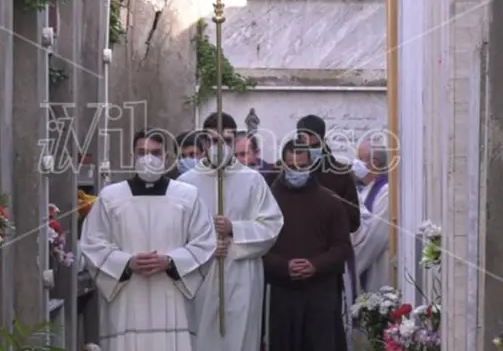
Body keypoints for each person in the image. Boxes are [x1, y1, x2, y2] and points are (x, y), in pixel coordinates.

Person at [81, 128, 218, 350]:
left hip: (172, 301)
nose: (149, 158)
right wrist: (126, 263)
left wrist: (171, 262)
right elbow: (92, 243)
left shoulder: (187, 195)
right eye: (142, 152)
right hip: (127, 301)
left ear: (165, 158)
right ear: (131, 157)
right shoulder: (110, 197)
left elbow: (205, 243)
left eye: (155, 152)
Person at [178, 125, 284, 351]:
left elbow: (272, 224)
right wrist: (204, 247)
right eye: (212, 140)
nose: (218, 146)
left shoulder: (252, 180)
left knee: (240, 336)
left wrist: (234, 228)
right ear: (204, 142)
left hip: (241, 273)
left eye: (225, 139)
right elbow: (174, 233)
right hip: (201, 277)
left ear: (234, 140)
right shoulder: (185, 183)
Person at [263, 138, 352, 351]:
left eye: (302, 166)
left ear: (311, 165)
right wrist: (284, 267)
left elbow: (342, 247)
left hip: (320, 293)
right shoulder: (268, 201)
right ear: (282, 165)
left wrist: (315, 265)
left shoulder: (330, 201)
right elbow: (259, 246)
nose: (297, 171)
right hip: (282, 292)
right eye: (291, 167)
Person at [352, 141, 391, 292]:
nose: (355, 163)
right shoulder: (364, 189)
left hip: (376, 265)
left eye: (359, 158)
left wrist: (353, 266)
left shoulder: (386, 192)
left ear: (374, 163)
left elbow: (376, 235)